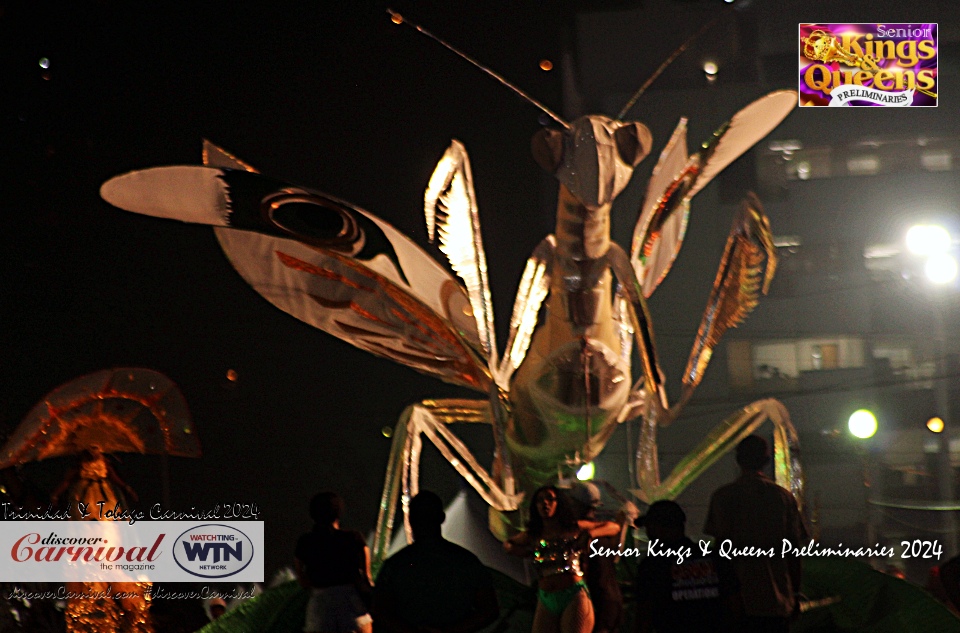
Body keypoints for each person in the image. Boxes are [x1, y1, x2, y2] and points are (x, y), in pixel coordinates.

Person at [704, 435, 809, 633]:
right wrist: (794, 594)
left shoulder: (723, 496)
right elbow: (793, 553)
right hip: (776, 601)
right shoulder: (783, 498)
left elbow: (719, 553)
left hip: (737, 601)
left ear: (738, 460)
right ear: (767, 461)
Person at [373, 491, 499, 633]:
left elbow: (380, 611)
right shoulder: (465, 561)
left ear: (410, 519)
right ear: (441, 518)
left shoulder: (396, 565)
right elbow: (489, 609)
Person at [505, 486, 623, 633]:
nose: (545, 503)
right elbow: (509, 543)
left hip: (572, 595)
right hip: (545, 597)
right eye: (540, 500)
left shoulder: (573, 527)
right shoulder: (533, 534)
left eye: (550, 499)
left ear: (559, 503)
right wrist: (519, 551)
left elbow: (614, 527)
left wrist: (590, 534)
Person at [634, 500, 737, 633]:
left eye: (649, 527)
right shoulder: (714, 557)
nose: (647, 533)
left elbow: (644, 614)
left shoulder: (652, 565)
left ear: (658, 527)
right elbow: (734, 603)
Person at [295, 492, 373, 633]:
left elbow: (303, 580)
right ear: (338, 513)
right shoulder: (354, 539)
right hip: (351, 606)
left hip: (320, 609)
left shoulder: (305, 543)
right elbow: (367, 579)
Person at [568, 483, 623, 633]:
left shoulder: (577, 532)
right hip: (611, 600)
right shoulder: (603, 531)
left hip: (596, 601)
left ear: (576, 504)